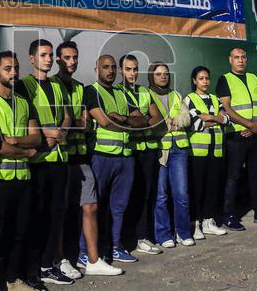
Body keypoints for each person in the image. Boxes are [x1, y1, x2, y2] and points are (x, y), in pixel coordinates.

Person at [0, 51, 45, 291]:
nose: (14, 73)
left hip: (23, 178)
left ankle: (12, 280)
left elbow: (37, 137)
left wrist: (15, 140)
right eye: (8, 68)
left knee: (20, 231)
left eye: (16, 68)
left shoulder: (23, 102)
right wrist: (26, 151)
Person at [56, 42, 121, 277]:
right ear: (57, 60)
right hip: (59, 158)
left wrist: (69, 124)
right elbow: (57, 124)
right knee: (61, 211)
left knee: (91, 205)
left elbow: (86, 124)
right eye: (67, 58)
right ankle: (60, 259)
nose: (72, 62)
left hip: (81, 157)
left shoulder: (80, 88)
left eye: (75, 57)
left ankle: (93, 260)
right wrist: (72, 123)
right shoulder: (52, 86)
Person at [81, 54, 147, 263]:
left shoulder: (121, 92)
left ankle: (116, 247)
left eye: (112, 67)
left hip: (125, 157)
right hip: (103, 157)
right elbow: (104, 122)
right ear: (96, 70)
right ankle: (85, 252)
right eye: (105, 67)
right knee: (94, 207)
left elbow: (142, 120)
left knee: (119, 206)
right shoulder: (92, 91)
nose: (110, 70)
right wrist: (126, 122)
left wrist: (121, 118)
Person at [19, 39, 75, 287]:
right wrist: (47, 135)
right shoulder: (24, 85)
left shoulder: (57, 84)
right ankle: (32, 270)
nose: (49, 59)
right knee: (37, 218)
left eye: (51, 55)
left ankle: (47, 266)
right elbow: (22, 120)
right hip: (39, 161)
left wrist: (61, 132)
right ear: (32, 58)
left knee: (56, 215)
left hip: (59, 158)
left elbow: (67, 115)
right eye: (43, 55)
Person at [217, 47, 257, 230]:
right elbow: (227, 109)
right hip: (236, 135)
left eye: (243, 57)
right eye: (236, 57)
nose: (240, 60)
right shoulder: (225, 80)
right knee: (233, 177)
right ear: (230, 60)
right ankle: (228, 216)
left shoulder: (255, 78)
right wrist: (250, 125)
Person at [119, 54, 164, 255]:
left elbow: (158, 118)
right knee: (128, 197)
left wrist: (141, 119)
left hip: (148, 152)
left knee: (146, 195)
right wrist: (144, 119)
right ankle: (126, 239)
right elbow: (128, 121)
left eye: (135, 69)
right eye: (128, 69)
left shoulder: (145, 91)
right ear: (121, 70)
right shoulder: (117, 92)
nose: (132, 73)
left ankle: (142, 237)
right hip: (131, 152)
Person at [148, 62, 194, 247]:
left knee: (182, 194)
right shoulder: (148, 95)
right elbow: (152, 122)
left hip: (180, 149)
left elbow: (187, 118)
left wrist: (168, 122)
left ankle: (183, 233)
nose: (163, 77)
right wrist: (174, 122)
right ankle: (164, 235)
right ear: (151, 76)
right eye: (159, 74)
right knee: (161, 196)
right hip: (161, 151)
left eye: (166, 73)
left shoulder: (176, 94)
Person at [184, 66, 230, 238]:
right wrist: (218, 119)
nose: (205, 81)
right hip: (198, 153)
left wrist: (210, 117)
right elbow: (195, 123)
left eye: (207, 78)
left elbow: (227, 120)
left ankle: (208, 222)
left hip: (215, 151)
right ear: (194, 81)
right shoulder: (190, 99)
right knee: (197, 190)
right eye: (201, 78)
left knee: (212, 188)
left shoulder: (215, 98)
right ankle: (195, 224)